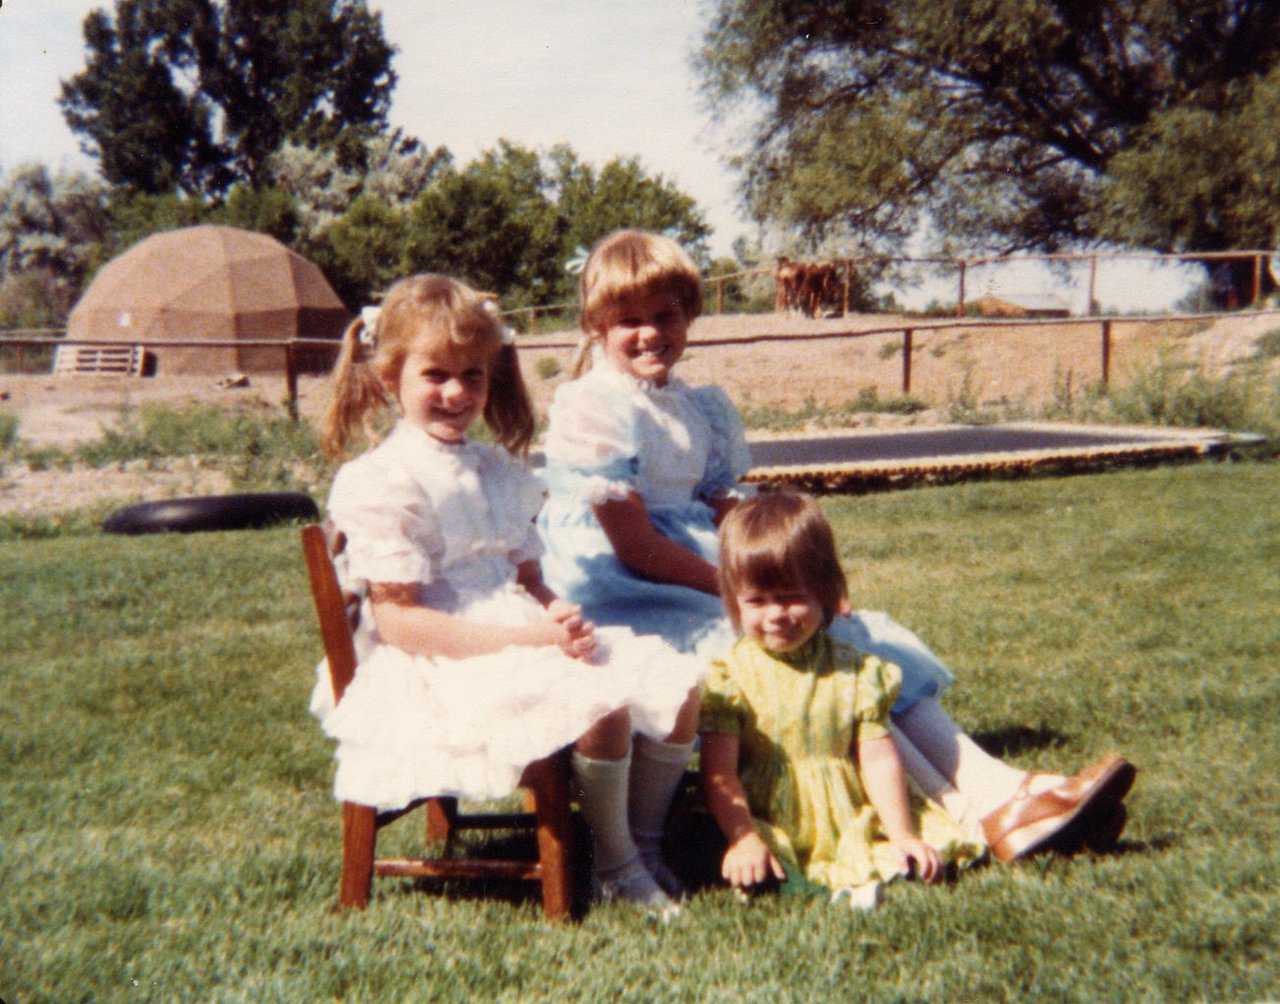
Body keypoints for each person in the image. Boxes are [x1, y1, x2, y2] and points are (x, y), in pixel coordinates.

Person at [536, 229, 1135, 866]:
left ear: (690, 315)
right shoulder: (594, 408)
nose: (652, 334)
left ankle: (995, 788)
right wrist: (741, 589)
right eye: (630, 321)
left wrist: (804, 575)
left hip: (712, 566)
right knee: (806, 652)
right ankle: (977, 807)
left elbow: (726, 505)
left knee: (850, 638)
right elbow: (636, 549)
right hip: (636, 593)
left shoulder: (694, 406)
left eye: (667, 315)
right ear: (596, 326)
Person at [307, 274, 704, 917]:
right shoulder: (382, 479)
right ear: (389, 380)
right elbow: (404, 622)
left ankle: (644, 845)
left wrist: (555, 611)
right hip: (436, 660)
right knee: (602, 706)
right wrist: (531, 638)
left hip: (516, 630)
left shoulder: (495, 469)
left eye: (473, 375)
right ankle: (616, 862)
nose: (457, 392)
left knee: (676, 685)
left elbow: (526, 576)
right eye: (435, 375)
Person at [701, 492, 985, 907]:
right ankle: (793, 881)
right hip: (769, 815)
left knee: (905, 846)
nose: (776, 615)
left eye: (792, 596)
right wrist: (743, 838)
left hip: (848, 809)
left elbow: (879, 759)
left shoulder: (855, 670)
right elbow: (719, 773)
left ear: (826, 590)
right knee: (760, 859)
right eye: (757, 601)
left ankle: (882, 870)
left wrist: (902, 832)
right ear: (734, 600)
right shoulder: (730, 677)